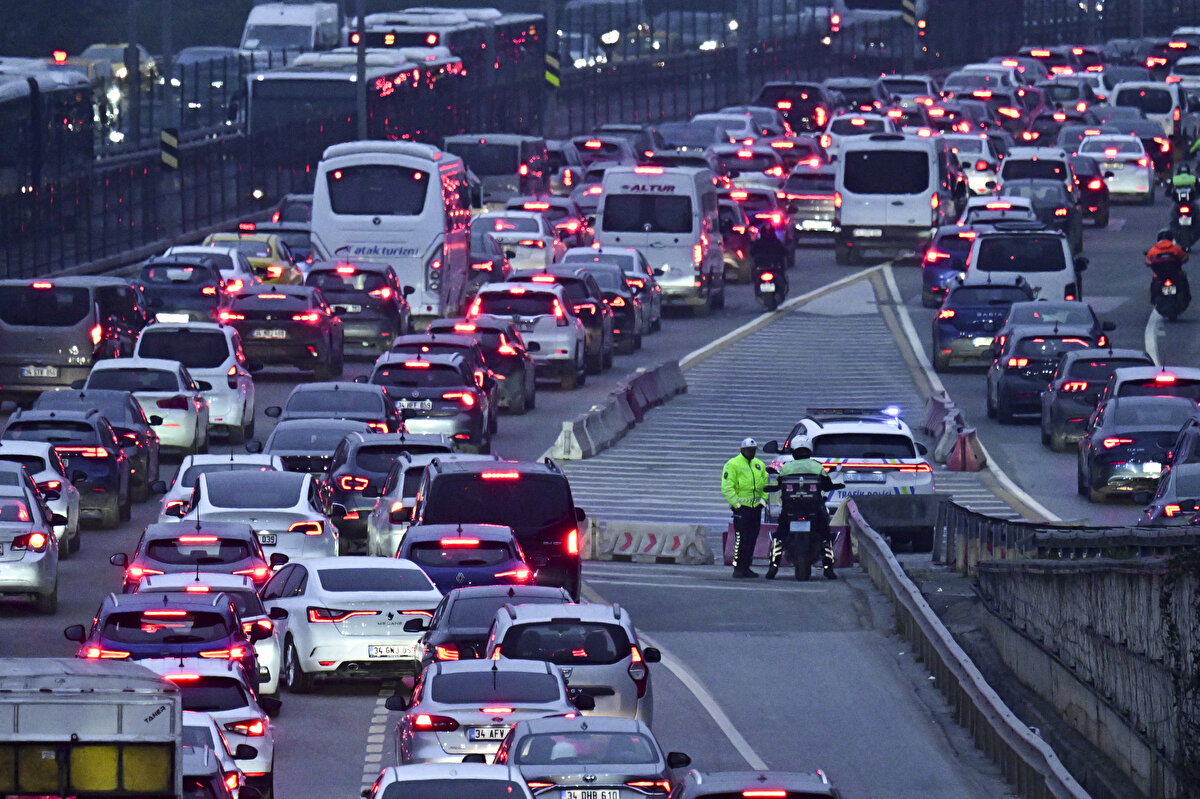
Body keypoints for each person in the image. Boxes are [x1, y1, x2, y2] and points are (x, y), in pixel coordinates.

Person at [765, 435, 843, 581]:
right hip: (814, 509)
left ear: (794, 450)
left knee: (779, 535)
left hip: (789, 509)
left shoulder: (787, 467)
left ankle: (773, 567)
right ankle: (828, 569)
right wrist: (834, 486)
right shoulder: (816, 466)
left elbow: (777, 485)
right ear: (809, 450)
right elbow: (827, 484)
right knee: (826, 536)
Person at [721, 437, 769, 578]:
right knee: (741, 539)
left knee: (752, 538)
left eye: (754, 450)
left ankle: (746, 566)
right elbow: (727, 487)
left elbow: (766, 485)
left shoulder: (759, 465)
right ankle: (738, 568)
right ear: (742, 450)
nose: (752, 453)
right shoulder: (733, 464)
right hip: (742, 509)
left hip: (755, 508)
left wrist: (763, 501)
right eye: (749, 450)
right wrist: (736, 504)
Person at [1146, 229, 1191, 304]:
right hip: (1176, 274)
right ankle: (1187, 296)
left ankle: (1153, 298)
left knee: (1154, 282)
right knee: (1183, 279)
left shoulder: (1152, 250)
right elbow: (1185, 259)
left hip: (1159, 275)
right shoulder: (1176, 248)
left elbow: (1147, 263)